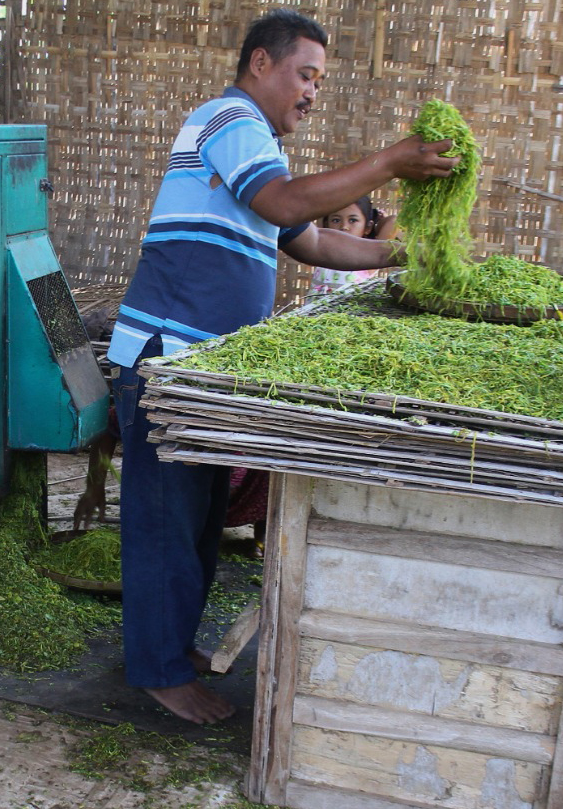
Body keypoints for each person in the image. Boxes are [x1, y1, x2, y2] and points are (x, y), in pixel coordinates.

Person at [107, 8, 459, 724]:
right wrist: (389, 161)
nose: (311, 93)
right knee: (164, 522)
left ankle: (171, 649)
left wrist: (411, 258)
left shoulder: (256, 150)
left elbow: (317, 243)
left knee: (199, 522)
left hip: (200, 370)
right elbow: (286, 204)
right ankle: (157, 670)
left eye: (318, 82)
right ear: (261, 64)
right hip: (163, 359)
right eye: (305, 75)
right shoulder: (229, 119)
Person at [303, 195, 393, 300]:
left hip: (346, 315)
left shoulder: (365, 258)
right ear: (327, 225)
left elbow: (392, 222)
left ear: (367, 227)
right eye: (336, 220)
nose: (344, 226)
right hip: (312, 314)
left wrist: (381, 219)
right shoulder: (322, 253)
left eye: (352, 220)